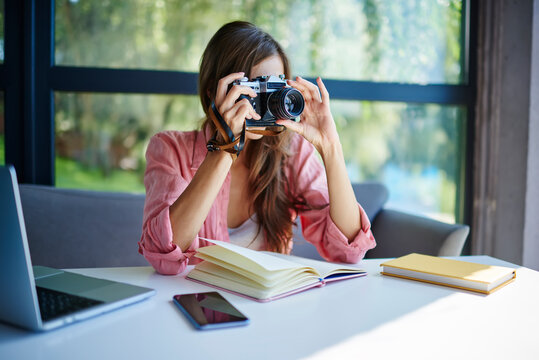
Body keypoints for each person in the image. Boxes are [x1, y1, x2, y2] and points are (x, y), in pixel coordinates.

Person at [138, 21, 375, 275]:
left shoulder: (291, 153)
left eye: (274, 87)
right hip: (199, 303)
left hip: (270, 306)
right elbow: (162, 254)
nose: (265, 102)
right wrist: (225, 147)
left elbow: (349, 251)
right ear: (213, 93)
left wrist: (330, 147)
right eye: (254, 89)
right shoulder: (171, 149)